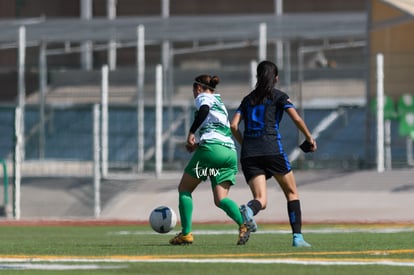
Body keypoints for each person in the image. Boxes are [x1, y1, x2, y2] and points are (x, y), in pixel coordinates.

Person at [230, 60, 317, 247]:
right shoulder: (279, 96)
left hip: (249, 154)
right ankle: (297, 238)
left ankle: (250, 211)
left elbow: (233, 125)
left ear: (257, 77)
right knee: (292, 193)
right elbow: (296, 118)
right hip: (271, 149)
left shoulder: (247, 99)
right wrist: (310, 138)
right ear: (276, 78)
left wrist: (245, 143)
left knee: (261, 199)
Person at [169, 74, 250, 246]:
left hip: (212, 151)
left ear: (198, 88)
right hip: (229, 153)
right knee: (221, 199)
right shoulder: (220, 103)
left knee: (184, 189)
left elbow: (204, 110)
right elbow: (218, 133)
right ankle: (243, 225)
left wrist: (191, 132)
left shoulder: (203, 97)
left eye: (193, 91)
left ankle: (186, 234)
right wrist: (198, 145)